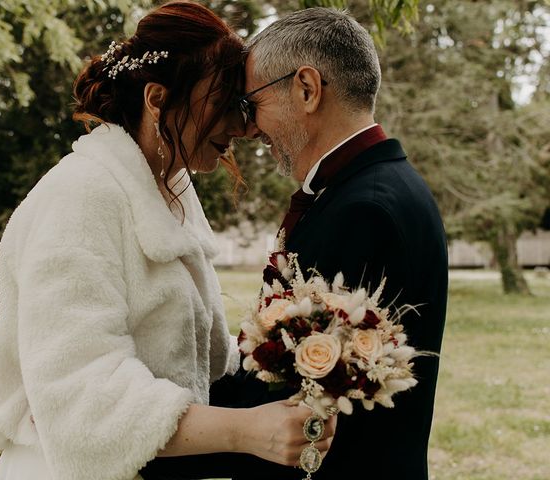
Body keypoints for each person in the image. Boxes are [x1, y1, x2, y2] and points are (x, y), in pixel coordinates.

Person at [0, 3, 336, 480]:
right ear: (157, 98)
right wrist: (246, 431)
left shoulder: (170, 194)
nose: (243, 127)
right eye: (223, 100)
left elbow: (189, 359)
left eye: (244, 105)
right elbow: (83, 402)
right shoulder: (81, 198)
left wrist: (284, 352)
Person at [143, 7, 448, 480]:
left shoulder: (364, 211)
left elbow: (290, 398)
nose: (248, 129)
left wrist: (145, 443)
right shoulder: (374, 188)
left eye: (252, 104)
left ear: (306, 89)